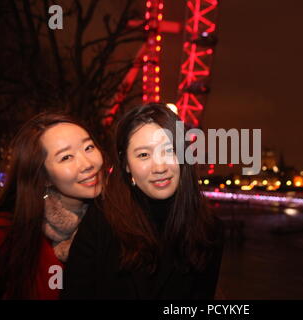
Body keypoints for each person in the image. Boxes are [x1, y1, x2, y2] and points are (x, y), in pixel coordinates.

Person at [62, 103, 224, 299]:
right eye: (144, 155)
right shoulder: (101, 221)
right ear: (127, 165)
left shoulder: (209, 229)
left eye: (169, 150)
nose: (159, 167)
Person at [0, 112, 105, 299]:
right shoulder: (5, 236)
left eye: (88, 147)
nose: (87, 164)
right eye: (66, 157)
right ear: (44, 177)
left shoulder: (117, 222)